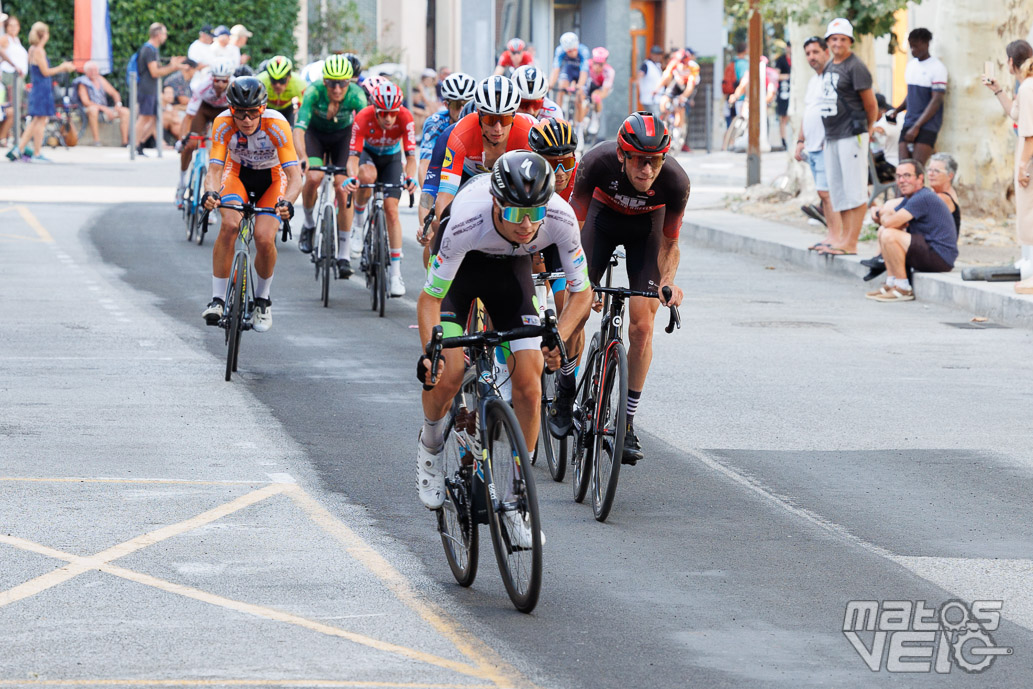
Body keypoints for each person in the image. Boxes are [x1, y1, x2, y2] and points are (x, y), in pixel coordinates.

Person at [415, 151, 593, 516]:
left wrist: (557, 334)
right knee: (446, 375)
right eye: (515, 213)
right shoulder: (467, 219)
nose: (527, 225)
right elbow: (430, 299)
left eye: (535, 213)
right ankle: (430, 447)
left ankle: (517, 492)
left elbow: (582, 292)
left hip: (512, 269)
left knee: (529, 380)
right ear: (497, 202)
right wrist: (430, 352)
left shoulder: (558, 215)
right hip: (463, 269)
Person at [554, 112, 688, 464]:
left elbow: (670, 245)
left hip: (647, 228)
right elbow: (572, 227)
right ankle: (566, 387)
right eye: (640, 162)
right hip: (600, 222)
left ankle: (626, 422)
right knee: (575, 307)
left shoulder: (675, 181)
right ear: (622, 156)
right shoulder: (596, 162)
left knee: (643, 324)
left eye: (655, 162)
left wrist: (667, 283)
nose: (647, 170)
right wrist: (582, 283)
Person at [200, 77, 302, 331]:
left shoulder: (277, 124)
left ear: (263, 108)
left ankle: (262, 300)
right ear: (231, 109)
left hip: (272, 176)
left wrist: (288, 202)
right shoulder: (222, 123)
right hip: (237, 174)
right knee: (230, 225)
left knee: (265, 238)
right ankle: (218, 299)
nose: (246, 120)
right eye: (240, 113)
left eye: (253, 113)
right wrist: (210, 193)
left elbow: (295, 176)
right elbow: (214, 169)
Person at [343, 81, 418, 294]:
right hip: (369, 155)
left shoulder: (406, 117)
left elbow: (411, 157)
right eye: (383, 113)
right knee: (366, 176)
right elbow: (352, 158)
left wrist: (410, 177)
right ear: (374, 109)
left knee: (392, 210)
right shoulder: (363, 117)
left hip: (392, 159)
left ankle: (395, 275)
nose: (388, 118)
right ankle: (358, 226)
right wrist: (352, 177)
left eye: (392, 113)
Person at [430, 75, 533, 228]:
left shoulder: (527, 134)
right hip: (468, 176)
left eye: (505, 120)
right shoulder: (461, 133)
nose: (497, 128)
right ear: (479, 114)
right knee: (438, 225)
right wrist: (448, 227)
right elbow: (446, 193)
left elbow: (535, 192)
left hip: (509, 178)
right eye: (490, 120)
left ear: (513, 115)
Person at [292, 55, 367, 258]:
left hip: (343, 137)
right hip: (315, 136)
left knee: (344, 189)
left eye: (342, 83)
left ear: (349, 82)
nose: (336, 89)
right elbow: (299, 129)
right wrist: (302, 157)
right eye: (331, 83)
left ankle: (343, 252)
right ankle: (308, 224)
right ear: (324, 81)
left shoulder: (356, 95)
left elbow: (365, 128)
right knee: (313, 177)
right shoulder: (314, 91)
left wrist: (362, 158)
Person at [817, 17, 878, 257]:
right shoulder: (831, 65)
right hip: (832, 135)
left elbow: (871, 104)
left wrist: (869, 128)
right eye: (833, 39)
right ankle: (841, 238)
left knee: (854, 189)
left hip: (851, 135)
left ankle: (851, 241)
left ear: (850, 41)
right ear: (828, 42)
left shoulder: (856, 66)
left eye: (842, 39)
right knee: (838, 189)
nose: (838, 43)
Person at [865, 159, 957, 302]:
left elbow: (890, 222)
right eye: (899, 176)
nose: (902, 180)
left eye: (907, 175)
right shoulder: (911, 197)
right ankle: (892, 283)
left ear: (920, 178)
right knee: (884, 231)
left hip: (940, 256)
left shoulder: (923, 197)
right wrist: (884, 217)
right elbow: (891, 221)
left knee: (888, 233)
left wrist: (880, 215)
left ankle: (903, 288)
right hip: (929, 249)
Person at [794, 36, 842, 251]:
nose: (811, 57)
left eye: (815, 52)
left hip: (827, 145)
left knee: (829, 194)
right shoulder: (813, 81)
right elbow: (808, 113)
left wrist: (829, 139)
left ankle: (837, 237)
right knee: (823, 194)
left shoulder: (833, 78)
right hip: (811, 146)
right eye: (808, 53)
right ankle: (831, 235)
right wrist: (800, 140)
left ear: (826, 52)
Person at [416, 72, 476, 230]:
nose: (462, 109)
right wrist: (427, 210)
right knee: (433, 228)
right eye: (457, 104)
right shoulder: (435, 123)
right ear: (446, 104)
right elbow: (425, 166)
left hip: (470, 175)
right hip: (443, 173)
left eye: (467, 103)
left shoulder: (482, 124)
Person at [13, 22, 75, 163]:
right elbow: (45, 72)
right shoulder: (39, 51)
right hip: (42, 89)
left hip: (38, 88)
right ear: (43, 35)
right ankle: (36, 152)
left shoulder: (32, 49)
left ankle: (19, 148)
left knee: (36, 121)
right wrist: (62, 67)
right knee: (40, 121)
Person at [885, 28, 946, 166]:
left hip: (928, 125)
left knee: (916, 168)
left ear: (926, 44)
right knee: (903, 168)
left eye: (916, 46)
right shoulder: (911, 66)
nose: (913, 50)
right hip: (909, 122)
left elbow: (936, 100)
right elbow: (911, 95)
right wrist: (897, 110)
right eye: (911, 46)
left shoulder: (937, 68)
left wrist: (917, 126)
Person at [176, 59, 234, 201]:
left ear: (229, 80)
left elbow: (237, 117)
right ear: (212, 79)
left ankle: (217, 189)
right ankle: (182, 182)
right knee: (190, 144)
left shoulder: (234, 87)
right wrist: (182, 139)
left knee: (224, 149)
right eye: (217, 81)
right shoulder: (202, 87)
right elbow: (189, 117)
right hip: (204, 109)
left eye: (224, 81)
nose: (220, 85)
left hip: (223, 111)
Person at [1002, 41, 1033, 292]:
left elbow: (1030, 133)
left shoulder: (1028, 87)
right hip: (1027, 155)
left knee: (1030, 215)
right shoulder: (1026, 86)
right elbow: (1015, 114)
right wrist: (997, 91)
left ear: (1011, 62)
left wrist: (1023, 165)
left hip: (1030, 158)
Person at [135, 23, 186, 157]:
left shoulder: (153, 50)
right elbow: (154, 72)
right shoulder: (149, 50)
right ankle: (135, 145)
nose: (165, 37)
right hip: (146, 89)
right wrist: (172, 67)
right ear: (158, 35)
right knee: (144, 117)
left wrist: (173, 66)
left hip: (151, 89)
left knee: (154, 118)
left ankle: (140, 143)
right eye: (164, 34)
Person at [74, 60, 130, 147]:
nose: (94, 72)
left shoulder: (100, 79)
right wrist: (103, 108)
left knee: (125, 111)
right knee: (93, 110)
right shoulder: (83, 82)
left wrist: (118, 105)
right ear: (86, 72)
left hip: (104, 110)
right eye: (91, 70)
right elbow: (86, 102)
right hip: (89, 110)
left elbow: (115, 93)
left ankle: (125, 142)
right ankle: (97, 141)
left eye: (95, 70)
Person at [656, 48, 700, 152]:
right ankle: (666, 119)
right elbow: (666, 77)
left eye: (682, 63)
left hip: (687, 86)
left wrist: (683, 97)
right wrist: (656, 89)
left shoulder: (693, 67)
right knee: (664, 101)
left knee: (680, 107)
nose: (680, 65)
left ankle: (678, 129)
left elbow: (690, 87)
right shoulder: (674, 62)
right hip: (677, 84)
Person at [0, 15, 27, 149]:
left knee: (18, 108)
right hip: (11, 76)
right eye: (10, 25)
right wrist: (13, 64)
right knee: (11, 108)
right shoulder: (5, 39)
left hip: (19, 77)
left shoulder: (16, 40)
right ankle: (3, 137)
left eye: (16, 25)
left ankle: (10, 136)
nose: (13, 28)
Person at [549, 32, 590, 115]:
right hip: (569, 70)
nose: (572, 53)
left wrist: (579, 85)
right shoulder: (560, 50)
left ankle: (579, 124)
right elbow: (556, 69)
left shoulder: (583, 51)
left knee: (580, 95)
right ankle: (558, 116)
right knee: (561, 88)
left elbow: (584, 72)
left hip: (580, 72)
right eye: (569, 51)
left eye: (574, 50)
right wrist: (550, 84)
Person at [258, 55, 305, 127]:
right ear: (268, 77)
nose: (278, 85)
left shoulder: (299, 84)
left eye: (282, 80)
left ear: (289, 77)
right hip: (267, 108)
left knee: (289, 131)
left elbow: (304, 106)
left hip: (287, 109)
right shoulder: (260, 81)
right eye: (273, 81)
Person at [581, 47, 614, 137]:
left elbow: (604, 91)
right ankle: (581, 121)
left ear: (605, 63)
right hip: (590, 84)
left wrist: (597, 97)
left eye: (600, 64)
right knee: (583, 100)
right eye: (595, 63)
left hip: (602, 87)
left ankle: (595, 118)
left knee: (595, 96)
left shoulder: (609, 71)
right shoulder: (587, 65)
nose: (597, 67)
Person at [638, 46, 665, 115]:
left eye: (660, 54)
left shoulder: (657, 65)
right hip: (650, 99)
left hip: (657, 98)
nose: (658, 57)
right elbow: (639, 75)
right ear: (652, 55)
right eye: (656, 54)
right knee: (654, 119)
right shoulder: (646, 65)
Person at [774, 42, 791, 150]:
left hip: (793, 92)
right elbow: (776, 75)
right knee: (783, 117)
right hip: (783, 92)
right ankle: (783, 139)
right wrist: (788, 76)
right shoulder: (781, 60)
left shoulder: (797, 59)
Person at [187, 24, 214, 89]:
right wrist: (210, 65)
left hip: (210, 82)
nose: (212, 38)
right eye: (210, 36)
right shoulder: (195, 47)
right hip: (198, 82)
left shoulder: (210, 46)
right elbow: (195, 66)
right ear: (203, 35)